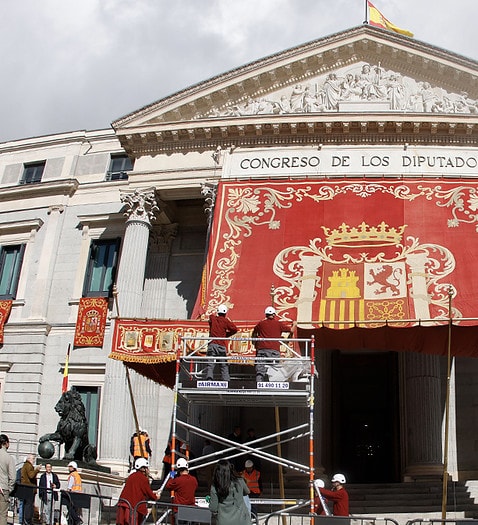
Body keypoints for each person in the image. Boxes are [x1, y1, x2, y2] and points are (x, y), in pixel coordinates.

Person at [252, 306, 293, 382]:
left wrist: (254, 343)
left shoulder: (261, 324)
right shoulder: (278, 324)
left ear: (265, 314)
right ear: (274, 314)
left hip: (262, 350)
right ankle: (272, 387)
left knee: (260, 370)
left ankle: (259, 385)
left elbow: (254, 332)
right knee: (274, 371)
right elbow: (290, 330)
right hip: (274, 351)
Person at [116, 458, 158, 525]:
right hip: (133, 506)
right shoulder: (143, 478)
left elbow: (137, 488)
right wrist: (155, 497)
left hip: (124, 503)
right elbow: (147, 492)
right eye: (146, 468)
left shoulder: (132, 476)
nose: (148, 470)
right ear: (143, 469)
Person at [209, 459, 251, 525]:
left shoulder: (215, 487)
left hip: (224, 520)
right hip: (242, 519)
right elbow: (247, 492)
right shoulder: (239, 481)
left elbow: (213, 508)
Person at [205, 305, 238, 381]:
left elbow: (210, 317)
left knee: (210, 364)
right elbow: (235, 329)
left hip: (212, 344)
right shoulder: (226, 321)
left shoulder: (213, 319)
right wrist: (226, 335)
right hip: (221, 345)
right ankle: (226, 380)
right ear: (225, 313)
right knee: (224, 365)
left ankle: (209, 379)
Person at [21, 454, 42, 525]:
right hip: (29, 488)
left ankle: (26, 520)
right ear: (29, 459)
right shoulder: (28, 465)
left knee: (27, 505)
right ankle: (27, 521)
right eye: (33, 459)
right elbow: (31, 475)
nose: (34, 460)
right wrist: (37, 470)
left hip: (27, 488)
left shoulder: (26, 465)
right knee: (29, 505)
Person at [0, 434, 15, 525]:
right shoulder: (9, 458)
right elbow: (13, 477)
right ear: (6, 444)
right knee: (2, 515)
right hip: (3, 488)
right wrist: (9, 489)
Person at [64, 461, 82, 525]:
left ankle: (77, 520)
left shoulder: (72, 475)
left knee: (70, 508)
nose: (69, 468)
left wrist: (67, 491)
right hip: (78, 494)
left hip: (73, 493)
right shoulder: (78, 475)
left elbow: (70, 485)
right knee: (74, 509)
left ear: (73, 467)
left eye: (70, 467)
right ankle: (72, 522)